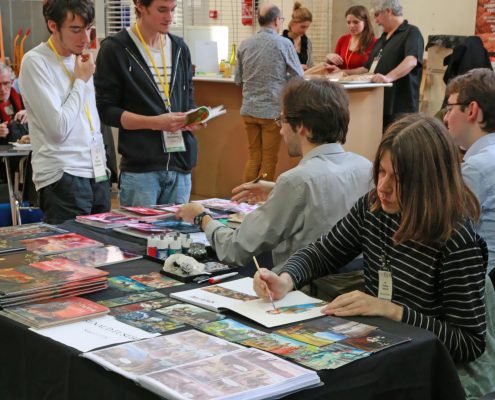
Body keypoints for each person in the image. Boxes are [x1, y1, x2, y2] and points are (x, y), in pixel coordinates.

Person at [254, 114, 495, 398]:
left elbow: (468, 343)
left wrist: (391, 310)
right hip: (385, 353)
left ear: (428, 183)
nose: (383, 187)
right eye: (381, 171)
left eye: (399, 179)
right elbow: (325, 250)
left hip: (433, 373)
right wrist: (285, 278)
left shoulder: (456, 240)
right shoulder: (374, 209)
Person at [178, 78, 372, 272]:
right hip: (351, 285)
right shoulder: (366, 167)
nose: (280, 130)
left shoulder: (297, 181)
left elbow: (235, 249)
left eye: (282, 120)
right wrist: (276, 189)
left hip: (300, 288)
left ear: (302, 126)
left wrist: (201, 217)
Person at [95, 0, 202, 206]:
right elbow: (106, 110)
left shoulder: (180, 48)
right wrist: (155, 122)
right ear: (140, 6)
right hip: (141, 169)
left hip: (180, 165)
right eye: (161, 10)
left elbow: (187, 99)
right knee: (137, 237)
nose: (169, 17)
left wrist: (192, 119)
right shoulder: (115, 49)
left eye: (172, 10)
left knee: (176, 236)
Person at [19, 0, 110, 224]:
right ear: (53, 25)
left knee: (103, 254)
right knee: (70, 256)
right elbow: (58, 129)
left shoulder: (81, 60)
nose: (85, 38)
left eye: (88, 28)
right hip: (63, 175)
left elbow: (88, 120)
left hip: (96, 173)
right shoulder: (36, 62)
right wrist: (80, 81)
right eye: (76, 30)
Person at [329, 0, 424, 130]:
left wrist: (389, 77)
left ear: (388, 12)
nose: (375, 20)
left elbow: (411, 60)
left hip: (400, 106)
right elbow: (366, 68)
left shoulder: (411, 32)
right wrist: (344, 73)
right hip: (379, 103)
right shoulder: (382, 39)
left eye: (377, 15)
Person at [235, 3, 304, 183]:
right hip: (271, 111)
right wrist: (282, 80)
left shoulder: (245, 44)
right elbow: (299, 76)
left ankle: (246, 202)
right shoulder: (283, 43)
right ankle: (260, 203)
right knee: (269, 160)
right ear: (276, 21)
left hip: (248, 110)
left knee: (253, 157)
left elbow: (238, 79)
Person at [444, 68, 495, 285]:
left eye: (449, 109)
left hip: (482, 282)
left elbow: (446, 230)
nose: (446, 118)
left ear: (472, 110)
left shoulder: (476, 168)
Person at [325, 5, 376, 70]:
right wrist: (328, 57)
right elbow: (332, 65)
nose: (351, 25)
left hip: (361, 80)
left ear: (365, 22)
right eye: (348, 22)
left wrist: (344, 72)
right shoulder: (342, 39)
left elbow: (371, 69)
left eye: (356, 22)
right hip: (340, 79)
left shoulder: (374, 42)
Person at [0, 62, 28, 144]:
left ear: (12, 82)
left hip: (25, 151)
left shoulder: (23, 99)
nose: (2, 89)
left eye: (6, 83)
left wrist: (29, 113)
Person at [282, 2, 314, 70]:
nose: (305, 30)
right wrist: (296, 67)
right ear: (293, 23)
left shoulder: (307, 42)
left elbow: (310, 65)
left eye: (307, 27)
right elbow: (276, 67)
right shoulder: (281, 41)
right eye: (302, 27)